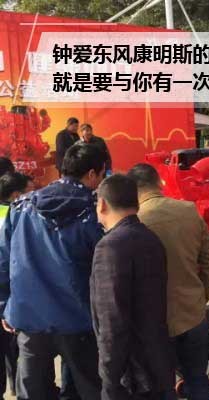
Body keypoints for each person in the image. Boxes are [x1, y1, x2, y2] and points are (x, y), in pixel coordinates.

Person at [0, 143, 106, 399]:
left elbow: (3, 260)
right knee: (90, 388)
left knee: (33, 390)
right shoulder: (95, 210)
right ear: (93, 174)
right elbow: (105, 267)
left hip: (28, 317)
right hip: (79, 318)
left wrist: (4, 304)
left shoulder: (21, 206)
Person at [127, 164, 209, 400]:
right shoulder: (188, 210)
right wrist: (202, 294)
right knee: (198, 378)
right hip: (192, 313)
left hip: (156, 323)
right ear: (159, 183)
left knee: (164, 384)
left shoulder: (134, 222)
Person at [91, 174, 173, 400]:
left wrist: (109, 378)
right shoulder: (150, 237)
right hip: (156, 362)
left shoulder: (109, 247)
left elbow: (112, 320)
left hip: (131, 374)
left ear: (102, 204)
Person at [0, 172, 32, 398]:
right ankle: (15, 386)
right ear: (16, 195)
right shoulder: (18, 216)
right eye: (30, 191)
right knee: (16, 349)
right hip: (10, 294)